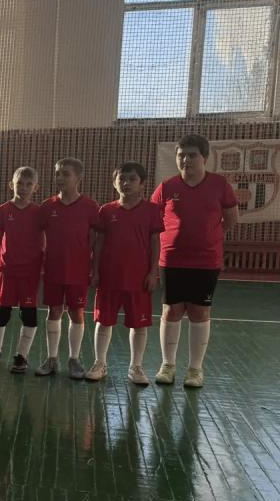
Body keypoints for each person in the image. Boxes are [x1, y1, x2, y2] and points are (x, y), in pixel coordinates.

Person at [151, 132, 239, 389]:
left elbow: (231, 218)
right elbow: (152, 221)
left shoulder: (219, 185)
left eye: (192, 155)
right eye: (181, 155)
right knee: (171, 310)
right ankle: (167, 365)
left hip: (206, 261)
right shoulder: (166, 187)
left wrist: (210, 236)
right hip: (171, 260)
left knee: (200, 311)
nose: (186, 160)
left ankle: (195, 369)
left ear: (205, 158)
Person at [86, 162, 163, 385]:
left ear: (142, 184)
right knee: (103, 321)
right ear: (114, 182)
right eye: (121, 179)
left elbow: (155, 242)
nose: (126, 183)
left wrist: (153, 272)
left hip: (138, 278)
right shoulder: (106, 211)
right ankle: (100, 363)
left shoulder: (151, 211)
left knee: (139, 324)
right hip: (109, 276)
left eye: (132, 179)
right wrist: (95, 270)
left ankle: (136, 367)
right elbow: (99, 243)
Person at [36, 158, 99, 379]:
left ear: (78, 178)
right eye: (57, 173)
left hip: (78, 270)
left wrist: (87, 260)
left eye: (66, 174)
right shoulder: (47, 206)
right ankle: (52, 358)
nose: (60, 178)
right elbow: (38, 235)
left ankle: (74, 359)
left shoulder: (90, 207)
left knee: (76, 312)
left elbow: (94, 238)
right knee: (53, 311)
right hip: (53, 268)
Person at [0, 166, 43, 373]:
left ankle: (21, 356)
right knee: (2, 312)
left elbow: (43, 240)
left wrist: (36, 260)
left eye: (29, 184)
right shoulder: (2, 210)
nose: (24, 187)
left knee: (29, 314)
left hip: (30, 272)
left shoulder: (39, 212)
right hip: (8, 271)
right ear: (11, 185)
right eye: (20, 183)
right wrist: (5, 261)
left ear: (36, 187)